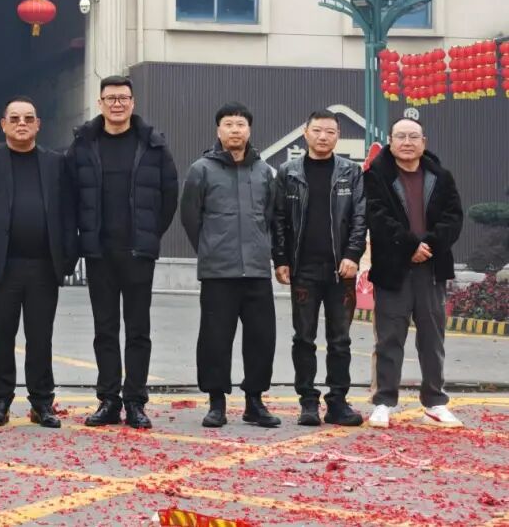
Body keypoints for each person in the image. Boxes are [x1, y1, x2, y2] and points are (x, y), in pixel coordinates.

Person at [65, 76, 178, 429]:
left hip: (137, 253)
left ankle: (135, 401)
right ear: (100, 103)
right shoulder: (83, 145)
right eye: (110, 98)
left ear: (133, 102)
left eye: (123, 98)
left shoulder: (153, 145)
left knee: (138, 330)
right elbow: (68, 196)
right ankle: (109, 400)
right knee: (105, 330)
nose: (117, 104)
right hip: (99, 253)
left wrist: (150, 234)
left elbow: (169, 196)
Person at [0, 97, 77, 428]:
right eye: (14, 118)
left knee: (40, 338)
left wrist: (67, 259)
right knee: (1, 335)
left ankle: (42, 403)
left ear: (38, 125)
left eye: (28, 118)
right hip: (1, 266)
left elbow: (68, 213)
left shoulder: (55, 163)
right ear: (3, 124)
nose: (21, 124)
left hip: (43, 266)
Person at [180, 102, 280, 429]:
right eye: (228, 124)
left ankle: (255, 402)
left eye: (240, 124)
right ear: (218, 130)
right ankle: (216, 403)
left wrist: (264, 251)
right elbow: (190, 217)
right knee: (215, 339)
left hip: (257, 271)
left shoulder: (264, 172)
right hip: (218, 272)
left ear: (249, 130)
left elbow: (271, 217)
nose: (235, 130)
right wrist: (209, 249)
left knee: (261, 338)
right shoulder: (201, 170)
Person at [365, 118, 464, 428]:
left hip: (431, 268)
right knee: (389, 338)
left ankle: (435, 402)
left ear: (424, 142)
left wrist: (428, 245)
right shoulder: (376, 176)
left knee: (433, 339)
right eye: (400, 136)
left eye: (413, 136)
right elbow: (376, 216)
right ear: (390, 141)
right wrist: (409, 246)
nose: (407, 142)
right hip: (393, 269)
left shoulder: (441, 176)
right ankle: (383, 402)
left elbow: (453, 218)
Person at [272, 110, 366, 427]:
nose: (323, 136)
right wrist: (281, 259)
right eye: (317, 130)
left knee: (340, 340)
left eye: (330, 131)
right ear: (305, 132)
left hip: (342, 271)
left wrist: (353, 254)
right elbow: (279, 220)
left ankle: (337, 402)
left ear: (338, 135)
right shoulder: (288, 172)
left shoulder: (351, 171)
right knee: (304, 338)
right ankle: (308, 402)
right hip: (304, 269)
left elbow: (360, 217)